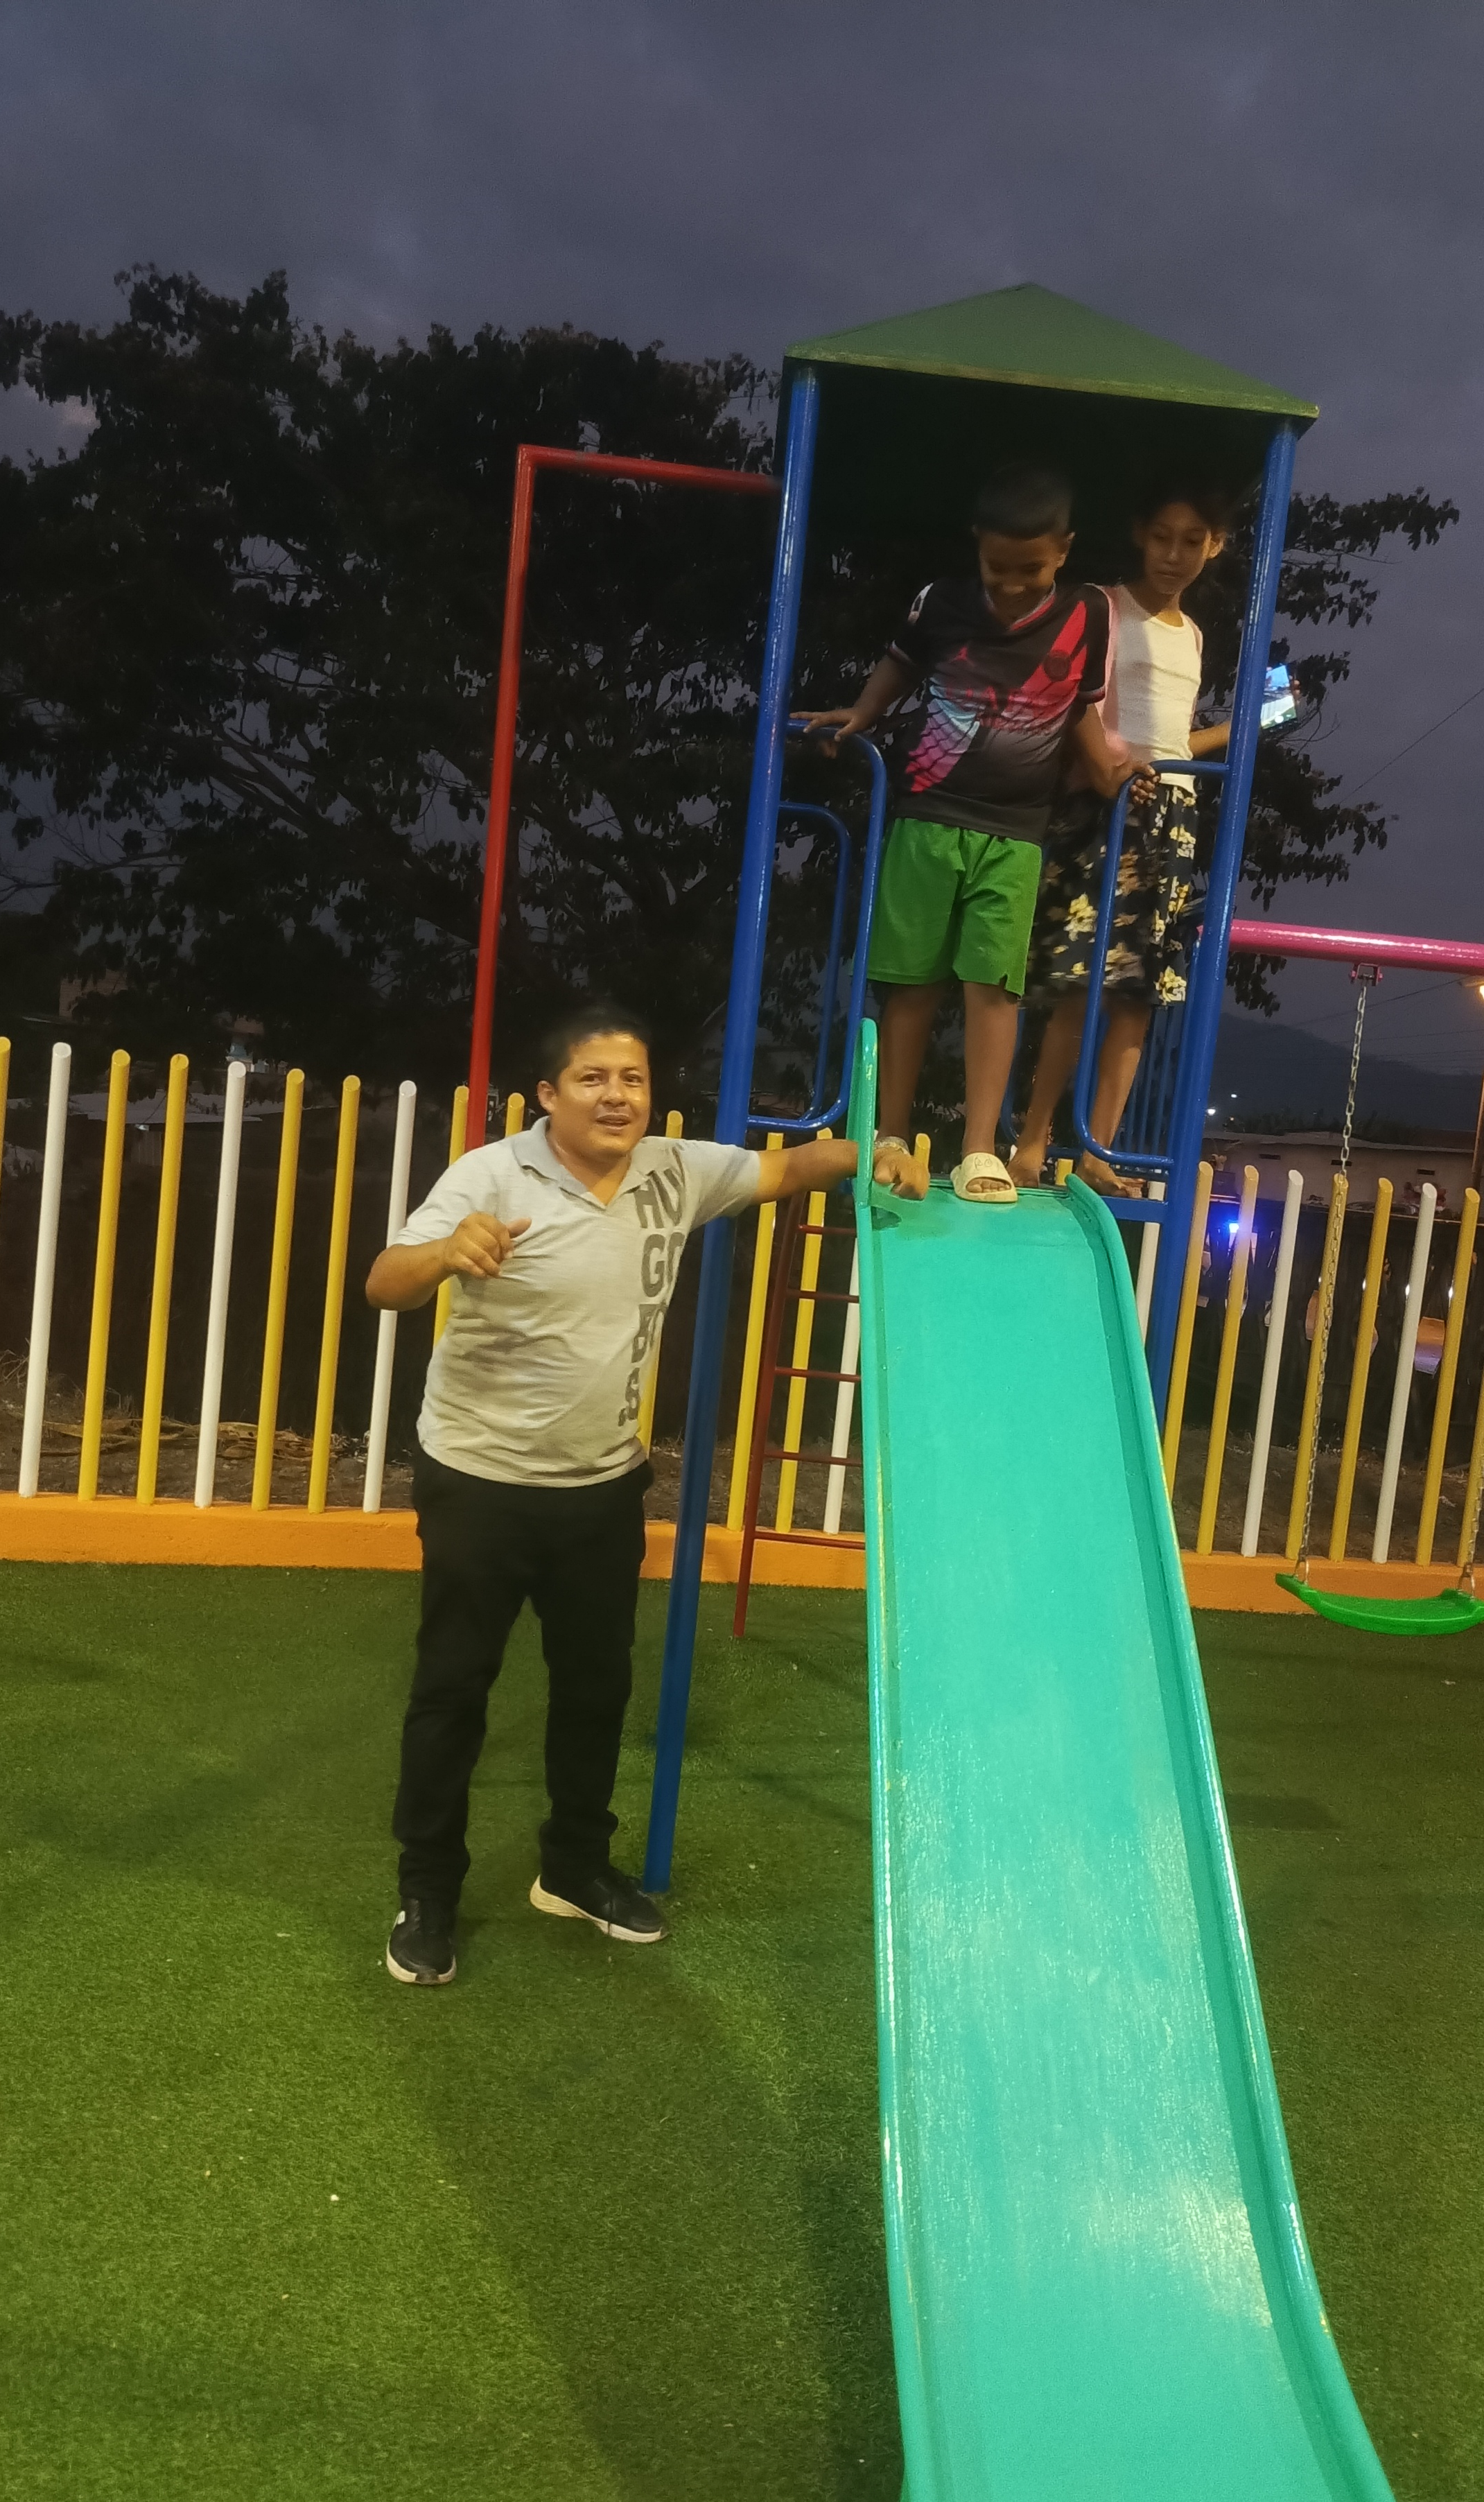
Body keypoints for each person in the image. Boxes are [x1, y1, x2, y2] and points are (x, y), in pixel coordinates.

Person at [365, 1000, 924, 1984]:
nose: (617, 1096)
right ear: (549, 1095)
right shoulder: (491, 1175)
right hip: (480, 1482)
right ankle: (428, 1891)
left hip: (601, 1488)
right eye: (593, 1079)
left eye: (632, 1078)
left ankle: (574, 1869)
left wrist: (876, 1152)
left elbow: (794, 1167)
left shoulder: (675, 1170)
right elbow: (384, 1281)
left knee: (596, 1688)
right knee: (452, 1691)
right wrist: (447, 1253)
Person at [801, 464, 1148, 1205]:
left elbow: (1081, 705)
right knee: (912, 983)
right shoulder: (942, 601)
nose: (1014, 584)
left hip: (1017, 832)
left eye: (1032, 569)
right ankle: (891, 1135)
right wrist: (861, 713)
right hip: (928, 817)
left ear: (1063, 550)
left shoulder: (1087, 612)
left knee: (995, 987)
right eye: (999, 567)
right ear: (977, 546)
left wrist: (1108, 772)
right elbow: (898, 665)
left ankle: (979, 1150)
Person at [1009, 485, 1231, 1194]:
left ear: (1214, 546)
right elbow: (1073, 700)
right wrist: (1103, 770)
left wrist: (1238, 729)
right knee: (1082, 982)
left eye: (1191, 541)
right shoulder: (1103, 605)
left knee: (1138, 994)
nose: (1174, 554)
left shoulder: (1193, 635)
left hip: (1175, 812)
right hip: (1111, 805)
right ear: (1140, 534)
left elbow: (1173, 738)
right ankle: (1032, 1140)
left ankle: (1097, 1152)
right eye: (1163, 536)